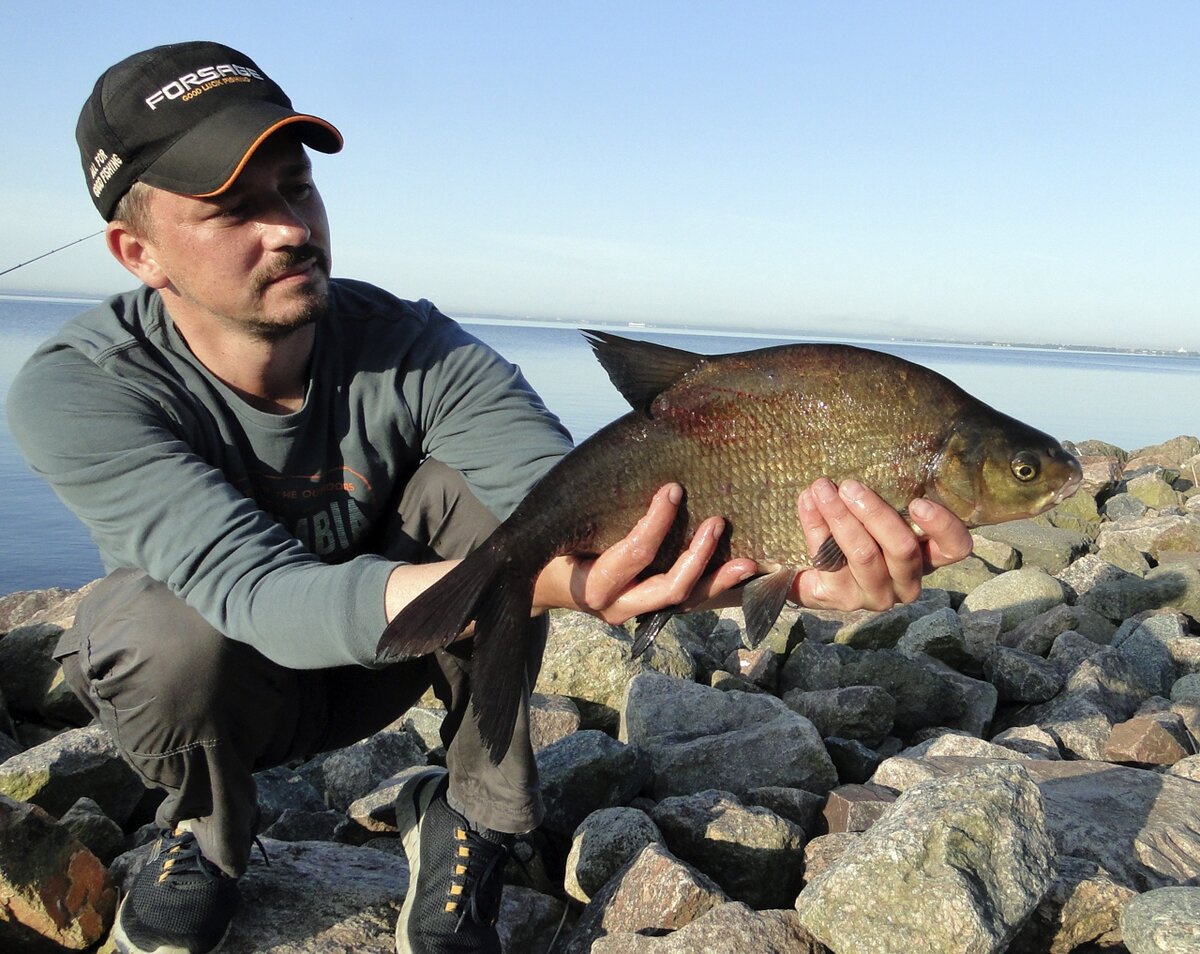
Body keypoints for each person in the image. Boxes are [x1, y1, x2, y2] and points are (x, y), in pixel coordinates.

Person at [6, 41, 973, 954]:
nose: (290, 229)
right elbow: (261, 597)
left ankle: (471, 812)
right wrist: (532, 585)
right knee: (153, 630)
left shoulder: (419, 348)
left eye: (297, 188)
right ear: (136, 252)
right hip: (234, 680)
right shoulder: (81, 389)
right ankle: (207, 830)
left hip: (411, 653)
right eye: (232, 210)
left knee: (524, 517)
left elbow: (609, 525)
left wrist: (801, 577)